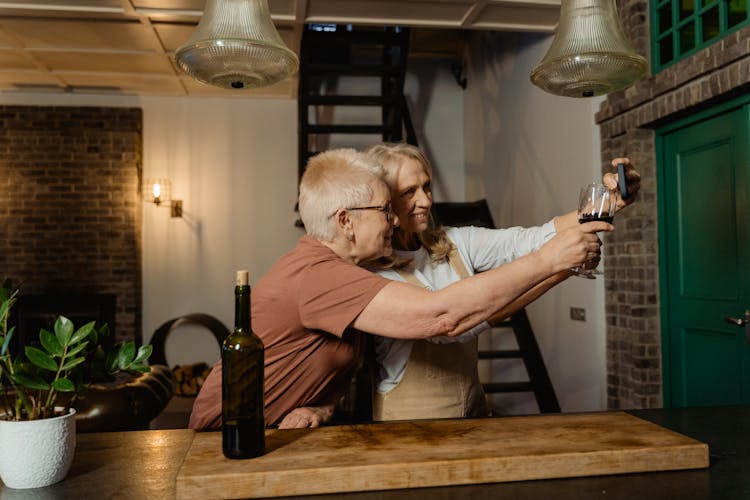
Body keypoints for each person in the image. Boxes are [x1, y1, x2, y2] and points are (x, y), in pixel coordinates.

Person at [189, 147, 617, 430]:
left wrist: (321, 405)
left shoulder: (346, 273)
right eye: (386, 207)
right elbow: (443, 316)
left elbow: (327, 361)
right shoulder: (325, 275)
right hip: (219, 436)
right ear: (345, 220)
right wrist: (549, 262)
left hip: (264, 430)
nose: (395, 218)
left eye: (425, 188)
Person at [363, 142, 640, 421]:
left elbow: (534, 239)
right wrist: (559, 266)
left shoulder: (454, 242)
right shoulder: (372, 272)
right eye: (409, 192)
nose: (425, 200)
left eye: (426, 187)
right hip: (408, 422)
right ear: (384, 200)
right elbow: (453, 326)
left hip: (473, 410)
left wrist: (608, 203)